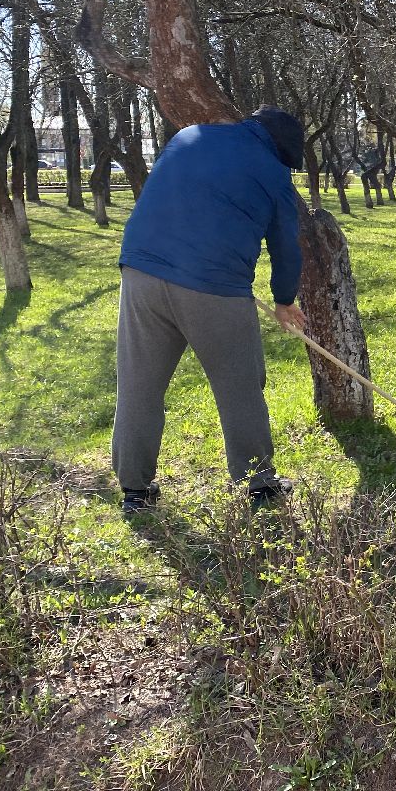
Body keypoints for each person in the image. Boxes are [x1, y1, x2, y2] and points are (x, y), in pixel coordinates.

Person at [113, 105, 308, 516]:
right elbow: (286, 247)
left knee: (139, 386)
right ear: (281, 148)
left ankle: (135, 490)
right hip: (214, 287)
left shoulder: (187, 136)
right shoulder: (274, 174)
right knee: (240, 386)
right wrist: (284, 299)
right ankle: (258, 484)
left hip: (140, 274)